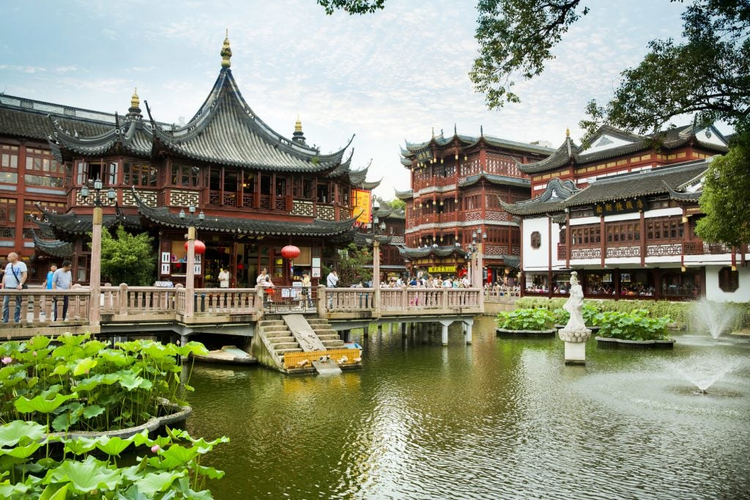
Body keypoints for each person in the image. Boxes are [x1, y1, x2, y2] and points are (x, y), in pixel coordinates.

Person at [3, 252, 27, 324]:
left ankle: (16, 320)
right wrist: (3, 286)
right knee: (5, 304)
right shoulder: (8, 265)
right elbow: (5, 276)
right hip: (7, 287)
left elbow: (24, 275)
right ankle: (5, 320)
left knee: (17, 305)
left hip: (16, 287)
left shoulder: (21, 264)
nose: (8, 258)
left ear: (15, 257)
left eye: (9, 257)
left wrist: (20, 284)